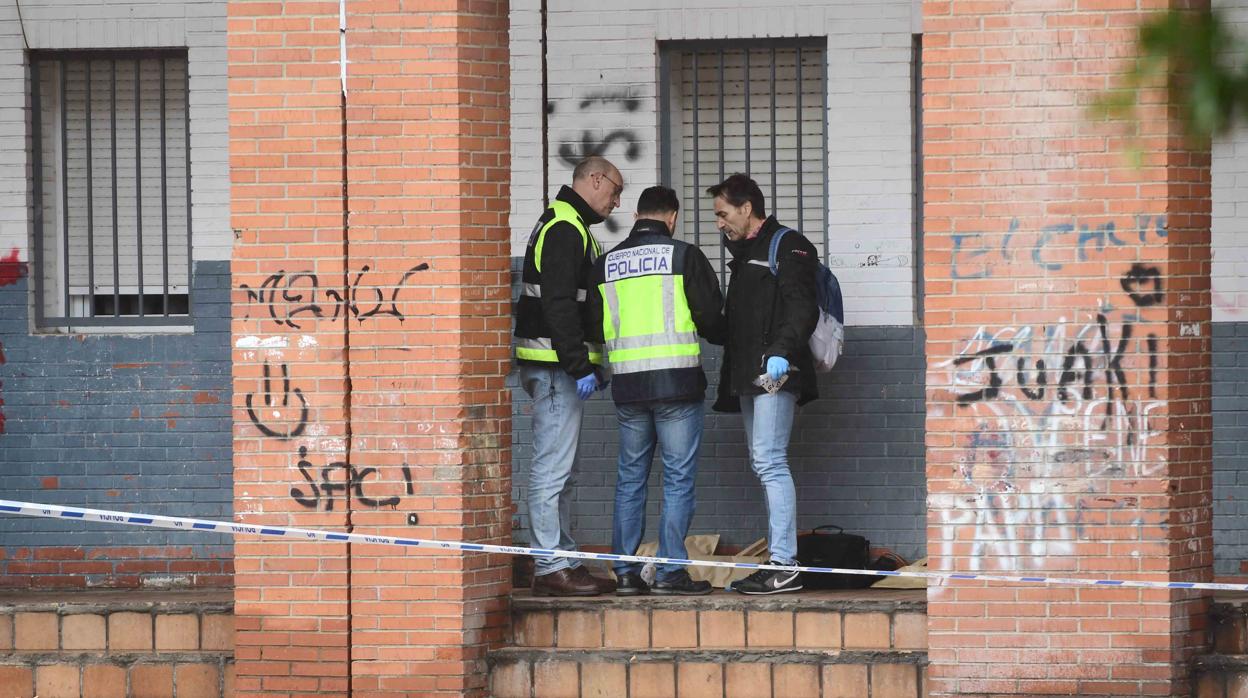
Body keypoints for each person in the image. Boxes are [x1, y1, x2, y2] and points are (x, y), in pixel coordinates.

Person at [588, 186, 727, 596]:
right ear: (672, 217)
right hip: (678, 386)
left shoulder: (607, 263)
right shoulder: (684, 256)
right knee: (677, 480)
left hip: (629, 387)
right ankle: (669, 573)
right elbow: (711, 320)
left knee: (630, 479)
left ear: (637, 215)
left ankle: (626, 574)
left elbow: (594, 327)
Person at [514, 156, 624, 596]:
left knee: (562, 470)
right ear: (594, 180)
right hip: (556, 367)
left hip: (557, 366)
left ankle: (565, 559)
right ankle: (551, 565)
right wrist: (580, 365)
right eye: (614, 191)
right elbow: (560, 305)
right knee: (552, 470)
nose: (615, 202)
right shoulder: (565, 229)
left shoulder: (572, 227)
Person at [707, 173, 819, 595]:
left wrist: (782, 352)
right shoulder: (747, 253)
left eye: (723, 214)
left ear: (746, 208)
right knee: (763, 462)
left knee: (770, 460)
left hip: (775, 374)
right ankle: (779, 556)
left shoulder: (788, 245)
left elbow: (801, 308)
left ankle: (784, 563)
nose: (719, 223)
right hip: (752, 376)